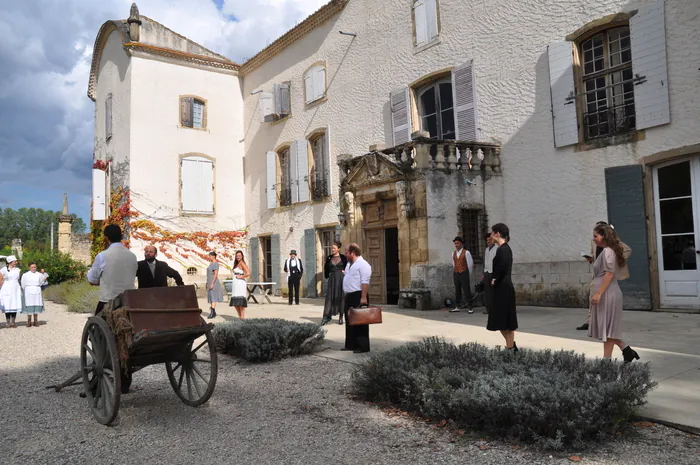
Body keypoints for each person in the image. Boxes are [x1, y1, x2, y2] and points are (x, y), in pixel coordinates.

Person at [589, 224, 640, 362]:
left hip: (607, 293)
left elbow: (609, 274)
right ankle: (625, 351)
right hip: (608, 291)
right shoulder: (608, 250)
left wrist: (598, 293)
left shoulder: (607, 251)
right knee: (607, 328)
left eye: (595, 236)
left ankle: (606, 363)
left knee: (608, 328)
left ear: (604, 236)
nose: (593, 239)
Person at [577, 221, 632, 331]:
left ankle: (604, 323)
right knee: (592, 297)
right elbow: (595, 255)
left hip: (606, 273)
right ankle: (591, 321)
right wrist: (591, 258)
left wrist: (616, 262)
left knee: (602, 297)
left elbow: (627, 251)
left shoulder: (611, 246)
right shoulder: (594, 242)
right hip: (598, 272)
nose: (594, 238)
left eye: (595, 236)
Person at [87, 224, 138, 315]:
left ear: (106, 238)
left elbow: (93, 280)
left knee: (97, 323)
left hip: (108, 302)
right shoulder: (132, 256)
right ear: (121, 236)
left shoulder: (102, 256)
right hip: (129, 302)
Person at [487, 224, 518, 351]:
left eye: (492, 233)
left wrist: (495, 280)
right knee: (501, 321)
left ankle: (510, 349)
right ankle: (511, 347)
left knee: (504, 321)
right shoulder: (503, 249)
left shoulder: (504, 249)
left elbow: (503, 268)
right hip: (502, 288)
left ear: (498, 233)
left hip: (503, 288)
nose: (490, 235)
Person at [342, 243, 372, 353]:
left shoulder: (363, 264)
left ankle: (362, 346)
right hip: (349, 295)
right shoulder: (349, 264)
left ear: (353, 253)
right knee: (349, 320)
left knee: (360, 320)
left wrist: (363, 297)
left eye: (346, 253)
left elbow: (365, 282)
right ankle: (350, 344)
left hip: (358, 295)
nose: (345, 255)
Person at [322, 241, 348, 325]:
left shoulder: (344, 257)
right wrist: (327, 275)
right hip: (332, 279)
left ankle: (341, 316)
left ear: (338, 249)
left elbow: (347, 267)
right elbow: (326, 268)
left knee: (341, 297)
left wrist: (345, 274)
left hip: (341, 279)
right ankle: (326, 316)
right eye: (332, 248)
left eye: (334, 248)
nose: (332, 249)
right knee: (329, 297)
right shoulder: (329, 257)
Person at [450, 236, 474, 313]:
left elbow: (470, 264)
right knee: (457, 290)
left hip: (464, 273)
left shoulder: (466, 252)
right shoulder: (453, 253)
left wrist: (467, 273)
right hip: (456, 273)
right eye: (455, 243)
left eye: (457, 243)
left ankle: (470, 307)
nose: (456, 245)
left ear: (461, 244)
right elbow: (454, 263)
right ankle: (457, 306)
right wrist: (455, 271)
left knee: (466, 289)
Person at [21, 262, 48, 327]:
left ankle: (35, 321)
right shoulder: (25, 275)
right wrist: (26, 289)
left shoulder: (39, 275)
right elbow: (23, 283)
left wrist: (37, 286)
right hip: (28, 291)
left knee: (36, 304)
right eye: (32, 267)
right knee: (29, 305)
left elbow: (41, 282)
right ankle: (29, 321)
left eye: (35, 267)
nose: (34, 268)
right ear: (29, 267)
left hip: (37, 290)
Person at [1, 256, 22, 328]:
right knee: (7, 304)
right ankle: (8, 322)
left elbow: (19, 279)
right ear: (10, 262)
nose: (16, 262)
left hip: (15, 287)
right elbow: (0, 279)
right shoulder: (3, 270)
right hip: (7, 287)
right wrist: (2, 287)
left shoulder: (18, 270)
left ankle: (13, 321)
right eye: (15, 261)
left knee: (14, 304)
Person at [229, 250, 250, 319]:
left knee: (240, 300)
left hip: (240, 283)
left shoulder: (242, 263)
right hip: (236, 283)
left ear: (242, 256)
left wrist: (241, 276)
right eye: (237, 256)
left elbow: (248, 273)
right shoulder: (237, 263)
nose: (238, 257)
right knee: (235, 301)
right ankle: (239, 315)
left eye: (239, 255)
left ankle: (242, 316)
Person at [481, 235, 498, 315]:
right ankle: (488, 308)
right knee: (487, 292)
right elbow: (484, 262)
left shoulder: (497, 249)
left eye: (490, 240)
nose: (488, 241)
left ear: (493, 240)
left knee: (494, 292)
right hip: (487, 273)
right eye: (487, 240)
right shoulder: (486, 250)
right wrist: (483, 273)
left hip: (494, 273)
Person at [206, 251, 225, 319]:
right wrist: (207, 283)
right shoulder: (211, 264)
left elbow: (216, 274)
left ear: (214, 256)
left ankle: (212, 312)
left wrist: (212, 283)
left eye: (210, 256)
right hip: (209, 281)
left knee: (213, 297)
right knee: (211, 297)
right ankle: (213, 312)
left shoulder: (215, 264)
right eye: (209, 256)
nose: (209, 257)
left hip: (213, 282)